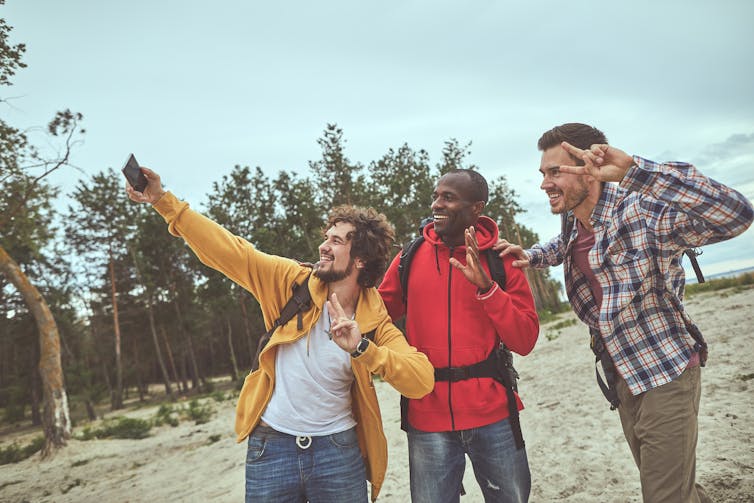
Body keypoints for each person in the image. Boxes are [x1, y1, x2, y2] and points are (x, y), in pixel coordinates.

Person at [126, 167, 434, 503]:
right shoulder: (290, 281)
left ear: (360, 259)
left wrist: (362, 347)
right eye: (325, 236)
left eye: (335, 240)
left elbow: (420, 380)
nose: (323, 245)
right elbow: (229, 250)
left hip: (338, 451)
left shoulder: (375, 321)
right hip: (272, 447)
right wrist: (162, 201)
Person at [497, 123, 754, 503]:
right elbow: (570, 244)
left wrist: (636, 170)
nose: (545, 184)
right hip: (623, 376)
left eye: (555, 173)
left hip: (666, 373)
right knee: (675, 487)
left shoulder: (640, 210)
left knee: (664, 495)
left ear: (589, 167)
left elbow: (736, 213)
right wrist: (533, 256)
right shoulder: (574, 217)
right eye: (544, 174)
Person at [378, 169, 540, 503]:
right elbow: (374, 315)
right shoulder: (409, 258)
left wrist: (488, 289)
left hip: (493, 414)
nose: (436, 203)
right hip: (426, 417)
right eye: (436, 195)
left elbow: (525, 340)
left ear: (476, 207)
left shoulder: (502, 260)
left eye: (448, 197)